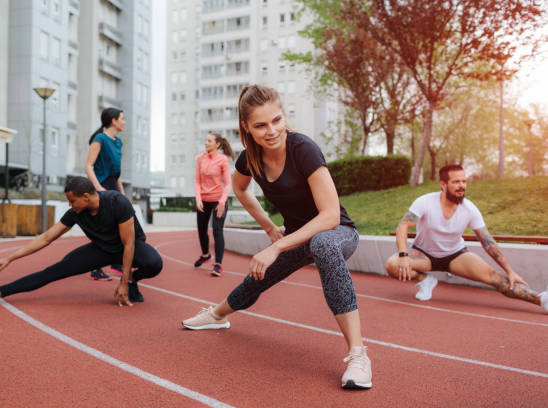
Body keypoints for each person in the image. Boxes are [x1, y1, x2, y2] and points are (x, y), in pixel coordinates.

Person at [182, 85, 372, 390]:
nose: (272, 131)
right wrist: (270, 227)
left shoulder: (303, 149)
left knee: (322, 244)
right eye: (260, 125)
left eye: (277, 120)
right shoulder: (249, 159)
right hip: (297, 236)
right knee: (258, 276)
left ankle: (358, 355)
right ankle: (218, 315)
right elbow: (240, 189)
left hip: (337, 233)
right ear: (246, 127)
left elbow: (330, 216)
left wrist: (276, 246)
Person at [0, 176, 162, 307]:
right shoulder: (75, 214)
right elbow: (46, 238)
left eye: (72, 201)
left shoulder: (117, 202)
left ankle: (133, 281)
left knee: (154, 263)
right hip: (101, 250)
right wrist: (9, 258)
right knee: (52, 272)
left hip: (131, 247)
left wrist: (125, 281)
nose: (70, 205)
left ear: (86, 197)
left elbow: (128, 244)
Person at [385, 164, 548, 311]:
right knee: (393, 264)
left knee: (496, 278)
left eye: (464, 181)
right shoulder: (425, 201)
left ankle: (542, 299)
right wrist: (403, 255)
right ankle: (426, 280)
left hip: (456, 256)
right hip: (424, 255)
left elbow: (487, 242)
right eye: (456, 182)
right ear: (443, 184)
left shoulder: (470, 209)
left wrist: (509, 270)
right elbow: (403, 226)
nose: (461, 186)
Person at [85, 107, 126, 281]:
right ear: (113, 121)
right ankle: (96, 268)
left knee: (120, 225)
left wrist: (122, 193)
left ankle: (116, 262)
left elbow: (117, 172)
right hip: (101, 186)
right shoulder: (99, 139)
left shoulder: (118, 142)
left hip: (113, 185)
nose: (124, 122)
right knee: (103, 227)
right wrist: (98, 188)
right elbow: (88, 165)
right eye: (122, 118)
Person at [193, 132, 234, 277]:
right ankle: (205, 255)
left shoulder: (223, 160)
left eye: (209, 141)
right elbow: (197, 181)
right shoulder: (200, 159)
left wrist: (222, 202)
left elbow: (228, 184)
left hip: (218, 201)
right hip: (203, 201)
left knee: (217, 230)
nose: (206, 143)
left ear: (217, 144)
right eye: (205, 140)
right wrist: (198, 199)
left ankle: (218, 265)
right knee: (201, 230)